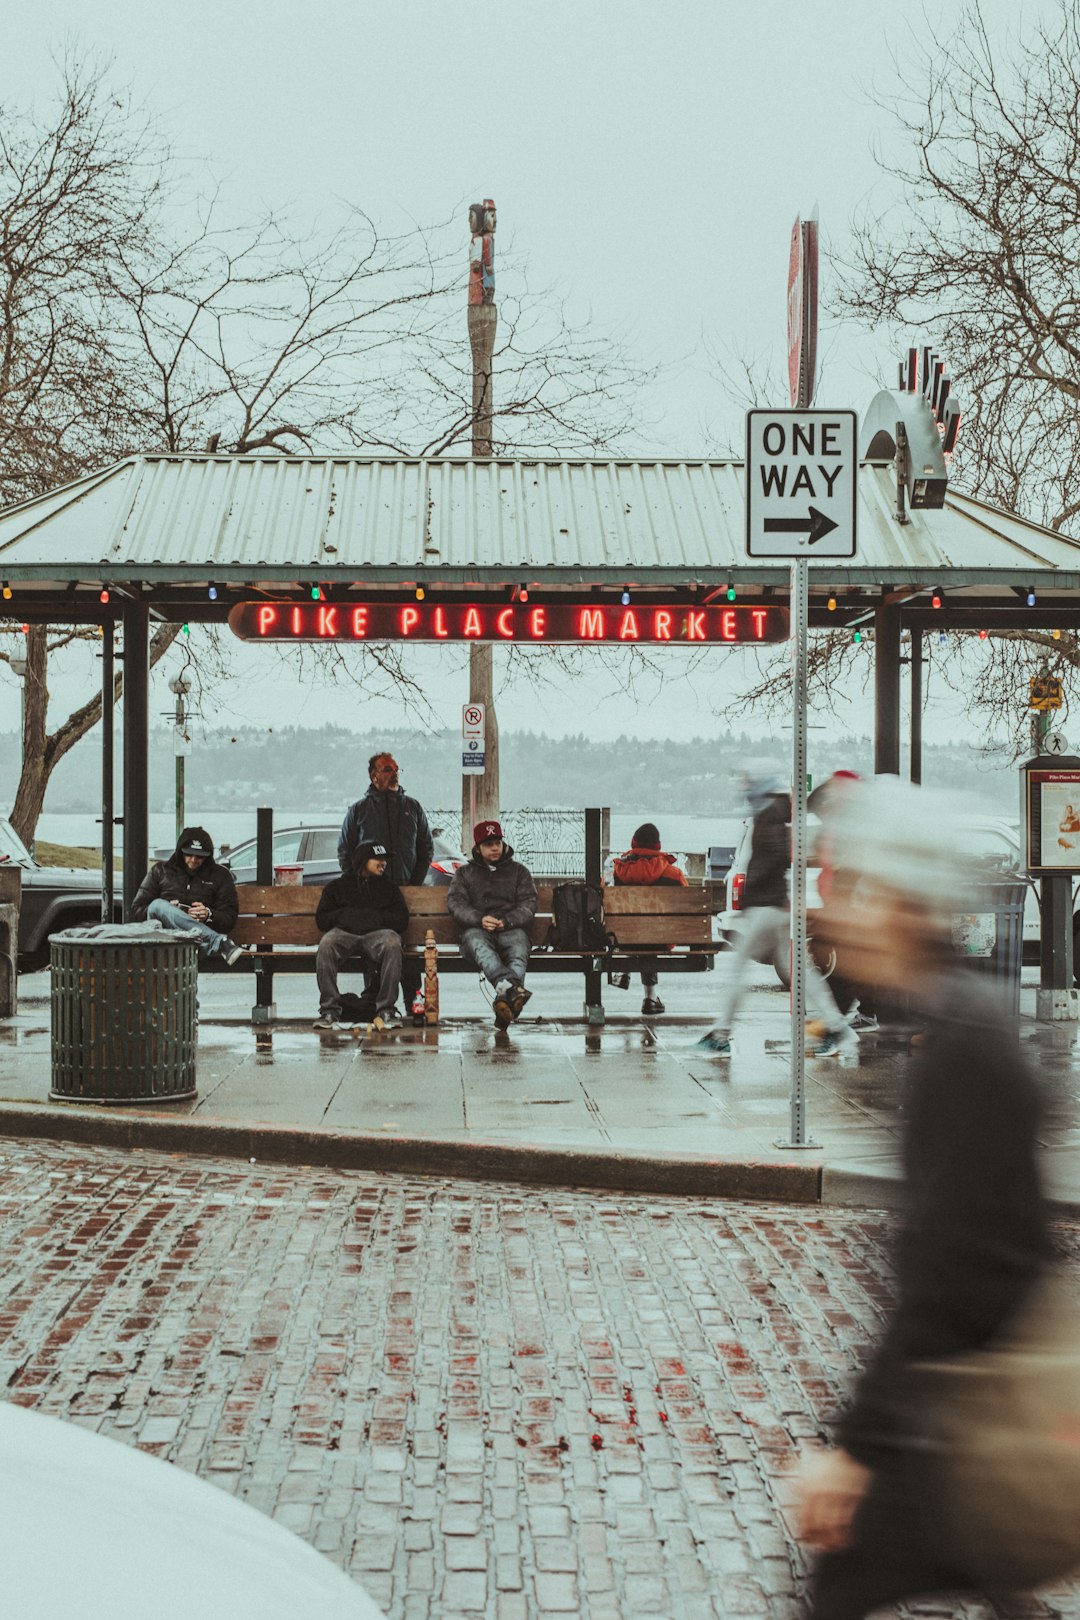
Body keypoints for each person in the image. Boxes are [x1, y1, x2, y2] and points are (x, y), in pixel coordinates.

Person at [793, 776, 1051, 1618]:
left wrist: (856, 1452)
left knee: (845, 1575)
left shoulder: (961, 1047)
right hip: (977, 1413)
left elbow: (948, 1279)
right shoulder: (958, 1026)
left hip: (966, 1420)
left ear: (902, 904)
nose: (840, 912)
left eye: (858, 891)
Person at [697, 770, 857, 1060]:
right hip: (778, 907)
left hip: (765, 907)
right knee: (801, 970)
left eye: (747, 783)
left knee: (738, 969)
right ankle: (837, 1026)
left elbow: (773, 856)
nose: (743, 789)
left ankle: (721, 1034)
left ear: (760, 788)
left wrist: (751, 898)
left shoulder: (768, 815)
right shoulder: (780, 814)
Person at [337, 752, 433, 1018]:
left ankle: (413, 1003)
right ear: (374, 775)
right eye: (388, 769)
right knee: (374, 948)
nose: (394, 774)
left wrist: (414, 883)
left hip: (406, 888)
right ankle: (375, 1004)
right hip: (372, 892)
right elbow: (345, 852)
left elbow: (426, 848)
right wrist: (360, 883)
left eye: (397, 769)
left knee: (409, 946)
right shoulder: (359, 810)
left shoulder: (412, 807)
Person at [447, 819, 537, 1029]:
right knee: (477, 943)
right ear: (478, 847)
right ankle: (511, 991)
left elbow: (529, 904)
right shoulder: (464, 874)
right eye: (489, 844)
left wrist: (508, 921)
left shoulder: (519, 872)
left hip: (510, 929)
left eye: (497, 842)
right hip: (477, 930)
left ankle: (505, 1001)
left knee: (519, 948)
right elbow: (456, 903)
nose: (495, 848)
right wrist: (479, 919)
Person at [313, 841, 408, 1031]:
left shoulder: (389, 888)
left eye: (385, 859)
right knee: (327, 944)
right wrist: (344, 917)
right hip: (344, 933)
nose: (383, 863)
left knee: (392, 943)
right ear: (363, 861)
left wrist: (377, 918)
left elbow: (402, 920)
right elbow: (322, 919)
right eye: (378, 859)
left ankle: (386, 1010)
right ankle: (329, 1011)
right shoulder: (337, 887)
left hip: (377, 934)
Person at [131, 826, 246, 964]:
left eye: (199, 856)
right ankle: (218, 942)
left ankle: (212, 941)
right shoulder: (160, 871)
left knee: (190, 950)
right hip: (165, 939)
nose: (193, 860)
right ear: (180, 852)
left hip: (198, 944)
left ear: (208, 855)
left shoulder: (220, 875)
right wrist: (168, 911)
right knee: (157, 905)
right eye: (188, 854)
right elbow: (137, 910)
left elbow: (229, 918)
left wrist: (209, 915)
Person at [608, 822, 688, 1015]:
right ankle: (650, 999)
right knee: (651, 932)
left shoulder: (618, 872)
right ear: (657, 846)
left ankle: (625, 971)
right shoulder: (673, 874)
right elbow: (688, 903)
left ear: (634, 843)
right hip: (660, 938)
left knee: (635, 929)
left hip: (625, 939)